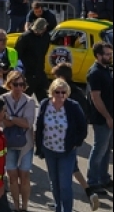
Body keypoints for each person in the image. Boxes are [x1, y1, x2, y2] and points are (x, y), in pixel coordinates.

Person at [51, 63, 101, 211]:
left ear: (61, 77)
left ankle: (61, 204)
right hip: (73, 139)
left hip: (63, 140)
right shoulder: (78, 92)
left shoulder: (65, 94)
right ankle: (89, 192)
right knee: (74, 168)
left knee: (61, 176)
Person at [35, 78, 89, 212]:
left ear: (67, 93)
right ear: (52, 92)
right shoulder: (45, 104)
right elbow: (39, 126)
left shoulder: (73, 106)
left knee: (65, 185)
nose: (60, 95)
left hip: (66, 151)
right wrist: (39, 145)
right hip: (49, 150)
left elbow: (83, 127)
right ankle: (58, 208)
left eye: (63, 92)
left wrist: (76, 143)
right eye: (57, 92)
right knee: (54, 183)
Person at [0, 71, 36, 212]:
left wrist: (10, 118)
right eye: (16, 84)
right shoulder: (2, 99)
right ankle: (16, 207)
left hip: (25, 144)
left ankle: (24, 207)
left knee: (24, 176)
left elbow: (28, 123)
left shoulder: (29, 101)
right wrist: (16, 120)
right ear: (9, 84)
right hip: (8, 143)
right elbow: (2, 122)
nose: (19, 87)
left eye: (22, 84)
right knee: (12, 177)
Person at [86, 42, 113, 196]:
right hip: (102, 118)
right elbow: (96, 98)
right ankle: (93, 182)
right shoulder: (95, 73)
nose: (110, 57)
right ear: (98, 55)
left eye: (111, 54)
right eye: (107, 54)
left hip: (109, 116)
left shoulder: (106, 69)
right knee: (99, 150)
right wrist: (108, 117)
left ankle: (104, 178)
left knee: (106, 150)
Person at [15, 18, 51, 100]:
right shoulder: (25, 37)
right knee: (24, 97)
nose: (37, 32)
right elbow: (17, 53)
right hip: (28, 72)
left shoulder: (46, 37)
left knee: (44, 97)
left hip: (39, 71)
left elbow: (44, 52)